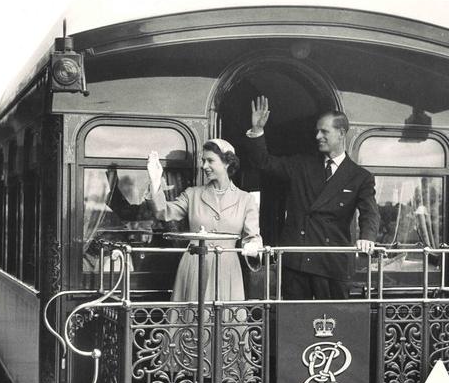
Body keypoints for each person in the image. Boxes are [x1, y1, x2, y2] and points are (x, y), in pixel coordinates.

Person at [244, 96, 379, 300]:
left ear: (341, 133)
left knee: (331, 324)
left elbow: (370, 213)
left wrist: (367, 238)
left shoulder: (360, 177)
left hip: (331, 265)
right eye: (317, 131)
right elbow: (264, 162)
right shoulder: (302, 165)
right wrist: (257, 130)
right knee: (294, 323)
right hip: (296, 263)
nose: (317, 136)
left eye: (324, 131)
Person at [147, 139, 262, 302]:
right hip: (195, 265)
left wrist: (253, 246)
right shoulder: (192, 194)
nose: (204, 166)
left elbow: (252, 237)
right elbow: (162, 212)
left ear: (227, 163)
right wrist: (155, 181)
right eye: (203, 161)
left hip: (228, 269)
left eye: (210, 161)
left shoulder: (246, 199)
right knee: (194, 318)